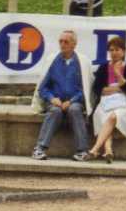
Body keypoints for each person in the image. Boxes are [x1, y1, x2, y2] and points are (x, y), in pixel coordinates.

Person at [30, 30, 91, 162]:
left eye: (66, 42)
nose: (62, 44)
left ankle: (82, 150)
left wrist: (72, 100)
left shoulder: (82, 62)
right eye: (60, 41)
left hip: (74, 101)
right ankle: (39, 148)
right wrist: (52, 98)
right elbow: (43, 88)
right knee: (55, 111)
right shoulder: (52, 60)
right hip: (55, 101)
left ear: (74, 44)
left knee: (74, 109)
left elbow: (85, 89)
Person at [85, 36, 126, 163]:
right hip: (105, 101)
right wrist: (118, 88)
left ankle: (94, 149)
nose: (114, 53)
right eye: (111, 50)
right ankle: (108, 151)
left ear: (123, 51)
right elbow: (98, 89)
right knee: (105, 115)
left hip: (124, 102)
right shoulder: (103, 67)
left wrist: (118, 74)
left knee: (113, 117)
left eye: (117, 50)